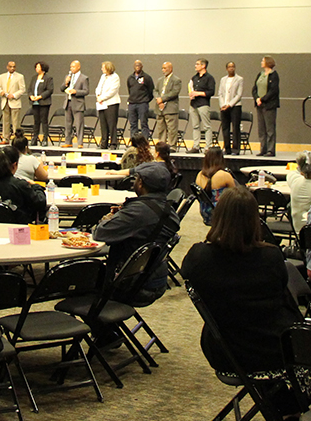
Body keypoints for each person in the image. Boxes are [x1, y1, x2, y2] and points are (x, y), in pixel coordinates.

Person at [181, 187, 311, 421]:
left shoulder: (197, 258)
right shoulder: (271, 257)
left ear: (218, 217)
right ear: (255, 220)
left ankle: (284, 407)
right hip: (274, 349)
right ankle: (290, 408)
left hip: (226, 350)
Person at [92, 161, 179, 306]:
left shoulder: (138, 211)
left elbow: (100, 233)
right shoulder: (168, 209)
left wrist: (108, 218)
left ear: (141, 184)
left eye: (137, 179)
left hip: (132, 286)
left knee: (80, 282)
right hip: (155, 279)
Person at [0, 146, 46, 224]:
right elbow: (40, 203)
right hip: (15, 232)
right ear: (14, 165)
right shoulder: (20, 186)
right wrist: (36, 187)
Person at [195, 147, 238, 225]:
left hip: (206, 212)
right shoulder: (224, 175)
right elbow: (236, 195)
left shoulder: (199, 175)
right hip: (222, 213)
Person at [252, 56, 279, 156]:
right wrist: (257, 98)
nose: (261, 62)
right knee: (261, 128)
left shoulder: (273, 75)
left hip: (269, 105)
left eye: (263, 61)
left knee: (270, 128)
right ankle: (263, 148)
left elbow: (273, 91)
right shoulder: (260, 74)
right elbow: (254, 88)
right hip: (259, 105)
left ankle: (270, 150)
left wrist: (262, 99)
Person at [187, 58, 215, 152]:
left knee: (206, 126)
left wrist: (198, 93)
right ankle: (196, 146)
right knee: (195, 126)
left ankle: (208, 146)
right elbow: (191, 88)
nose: (196, 66)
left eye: (198, 64)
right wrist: (191, 94)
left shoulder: (209, 78)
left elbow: (211, 92)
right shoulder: (194, 78)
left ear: (203, 66)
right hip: (193, 104)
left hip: (203, 104)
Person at [217, 61, 243, 155]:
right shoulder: (223, 79)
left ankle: (235, 149)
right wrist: (222, 104)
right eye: (229, 67)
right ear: (226, 68)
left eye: (233, 66)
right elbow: (220, 93)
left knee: (235, 127)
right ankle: (227, 148)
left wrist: (230, 104)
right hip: (224, 106)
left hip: (235, 106)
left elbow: (239, 94)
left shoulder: (239, 79)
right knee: (225, 128)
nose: (231, 68)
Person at [0, 61, 25, 143]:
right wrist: (1, 92)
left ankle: (16, 139)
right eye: (11, 66)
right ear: (7, 67)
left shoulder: (19, 77)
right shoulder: (2, 76)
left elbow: (22, 89)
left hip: (14, 101)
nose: (12, 68)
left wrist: (14, 95)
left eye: (14, 67)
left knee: (15, 122)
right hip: (5, 101)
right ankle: (5, 138)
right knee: (5, 121)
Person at [61, 60, 88, 148]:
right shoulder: (68, 77)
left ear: (78, 67)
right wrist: (65, 83)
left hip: (78, 103)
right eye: (71, 67)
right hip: (68, 102)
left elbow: (86, 91)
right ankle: (68, 141)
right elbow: (61, 88)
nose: (71, 68)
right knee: (68, 123)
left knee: (78, 124)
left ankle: (80, 142)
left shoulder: (83, 78)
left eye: (73, 67)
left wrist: (75, 91)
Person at [153, 62, 181, 146]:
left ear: (170, 69)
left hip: (170, 108)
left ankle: (172, 145)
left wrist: (162, 99)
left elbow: (174, 92)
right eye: (162, 68)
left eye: (165, 68)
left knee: (172, 129)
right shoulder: (159, 80)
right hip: (159, 108)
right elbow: (155, 91)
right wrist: (158, 99)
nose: (163, 70)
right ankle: (162, 145)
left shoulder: (176, 80)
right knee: (161, 128)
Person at [95, 61, 121, 150]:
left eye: (103, 67)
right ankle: (104, 143)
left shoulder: (115, 77)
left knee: (111, 124)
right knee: (103, 124)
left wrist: (102, 97)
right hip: (101, 103)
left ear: (108, 68)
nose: (101, 69)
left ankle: (113, 143)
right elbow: (98, 87)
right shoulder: (103, 77)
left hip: (111, 103)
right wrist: (98, 95)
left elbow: (112, 91)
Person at [126, 60, 154, 140]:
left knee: (143, 123)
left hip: (142, 104)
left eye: (139, 65)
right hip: (132, 104)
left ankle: (144, 143)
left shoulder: (147, 77)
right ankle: (134, 143)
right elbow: (130, 90)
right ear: (133, 67)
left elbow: (151, 91)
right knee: (133, 124)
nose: (137, 67)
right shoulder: (130, 78)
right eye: (136, 65)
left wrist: (145, 100)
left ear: (142, 66)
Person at [28, 61, 53, 146]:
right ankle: (35, 138)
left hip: (44, 102)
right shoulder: (34, 78)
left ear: (43, 68)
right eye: (36, 67)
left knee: (44, 121)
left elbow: (49, 90)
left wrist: (40, 96)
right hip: (34, 102)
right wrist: (31, 96)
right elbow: (30, 89)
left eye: (38, 67)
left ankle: (45, 139)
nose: (36, 68)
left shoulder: (48, 78)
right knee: (36, 121)